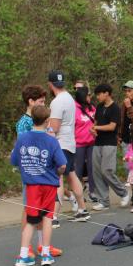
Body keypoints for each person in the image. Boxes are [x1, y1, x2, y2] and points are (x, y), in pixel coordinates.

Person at [10, 104, 67, 266]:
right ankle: (46, 254)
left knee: (31, 219)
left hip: (31, 185)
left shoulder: (22, 138)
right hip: (48, 184)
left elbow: (14, 160)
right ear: (47, 121)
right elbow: (62, 165)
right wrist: (58, 173)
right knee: (47, 218)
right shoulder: (51, 141)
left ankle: (23, 256)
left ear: (32, 119)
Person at [47, 71, 90, 223]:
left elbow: (54, 127)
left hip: (60, 144)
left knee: (57, 178)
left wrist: (44, 129)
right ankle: (82, 209)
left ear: (50, 84)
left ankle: (53, 216)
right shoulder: (70, 98)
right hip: (70, 143)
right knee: (71, 176)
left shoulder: (57, 102)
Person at [91, 84, 130, 211]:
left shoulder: (115, 108)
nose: (97, 97)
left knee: (107, 170)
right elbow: (95, 123)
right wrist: (93, 130)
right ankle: (104, 201)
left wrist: (96, 127)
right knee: (97, 172)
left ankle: (123, 193)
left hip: (109, 143)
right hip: (98, 142)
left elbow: (112, 126)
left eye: (99, 94)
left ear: (106, 93)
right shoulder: (99, 107)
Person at [73, 86, 97, 197]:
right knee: (78, 169)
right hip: (79, 144)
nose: (90, 97)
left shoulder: (92, 107)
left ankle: (93, 191)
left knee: (92, 168)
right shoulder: (74, 109)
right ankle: (77, 194)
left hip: (92, 142)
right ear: (83, 96)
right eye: (88, 95)